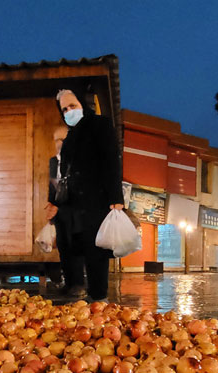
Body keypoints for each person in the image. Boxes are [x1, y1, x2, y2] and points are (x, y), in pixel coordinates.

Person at [52, 88, 123, 302]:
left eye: (72, 106)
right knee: (70, 246)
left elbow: (112, 161)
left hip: (96, 200)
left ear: (82, 104)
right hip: (72, 203)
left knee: (96, 250)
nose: (69, 111)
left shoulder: (100, 125)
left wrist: (116, 198)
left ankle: (98, 297)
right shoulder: (70, 135)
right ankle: (75, 287)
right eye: (64, 109)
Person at [44, 125, 84, 297]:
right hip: (59, 212)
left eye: (63, 139)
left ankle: (78, 284)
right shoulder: (53, 161)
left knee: (75, 247)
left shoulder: (79, 161)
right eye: (56, 140)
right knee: (62, 247)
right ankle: (68, 283)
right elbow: (52, 186)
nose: (59, 143)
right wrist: (50, 205)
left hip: (74, 211)